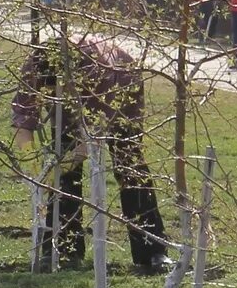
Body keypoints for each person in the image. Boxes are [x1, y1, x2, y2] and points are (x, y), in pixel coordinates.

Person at [10, 35, 170, 272]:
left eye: (59, 93)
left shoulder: (98, 71)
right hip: (79, 102)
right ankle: (62, 250)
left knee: (130, 165)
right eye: (50, 94)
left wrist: (63, 165)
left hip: (120, 88)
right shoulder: (35, 66)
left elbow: (93, 141)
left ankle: (152, 250)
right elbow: (23, 120)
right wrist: (34, 167)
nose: (55, 98)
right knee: (61, 168)